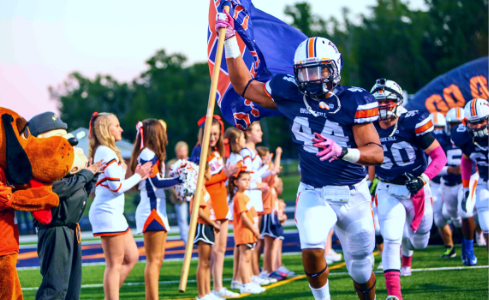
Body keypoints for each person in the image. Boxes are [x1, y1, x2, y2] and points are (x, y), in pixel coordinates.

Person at [218, 13, 384, 299]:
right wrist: (231, 41)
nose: (313, 78)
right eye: (306, 72)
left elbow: (376, 153)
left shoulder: (354, 100)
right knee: (311, 247)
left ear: (334, 69)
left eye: (319, 70)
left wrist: (343, 152)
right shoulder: (290, 93)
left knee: (360, 265)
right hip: (314, 191)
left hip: (354, 193)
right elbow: (243, 84)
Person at [369, 79, 446, 300]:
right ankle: (395, 295)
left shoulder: (412, 122)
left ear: (398, 102)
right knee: (391, 238)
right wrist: (369, 182)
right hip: (388, 188)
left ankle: (408, 251)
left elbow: (439, 156)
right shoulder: (368, 124)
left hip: (417, 189)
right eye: (378, 102)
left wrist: (423, 179)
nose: (382, 106)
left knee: (420, 239)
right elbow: (371, 159)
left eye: (387, 101)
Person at [28, 112, 104, 300]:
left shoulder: (66, 170)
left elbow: (77, 195)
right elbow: (57, 189)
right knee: (55, 287)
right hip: (56, 230)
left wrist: (91, 177)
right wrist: (85, 175)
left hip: (70, 229)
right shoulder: (42, 170)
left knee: (71, 289)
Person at [88, 112, 152, 300]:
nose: (121, 129)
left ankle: (110, 297)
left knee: (131, 257)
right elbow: (117, 187)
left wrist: (136, 175)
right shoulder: (105, 151)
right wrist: (138, 175)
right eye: (117, 125)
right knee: (114, 264)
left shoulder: (107, 150)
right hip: (107, 212)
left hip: (114, 212)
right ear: (106, 129)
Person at [129, 119, 183, 300]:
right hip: (151, 211)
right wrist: (181, 179)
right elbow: (156, 182)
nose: (165, 135)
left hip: (157, 209)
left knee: (158, 260)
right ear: (156, 134)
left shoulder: (151, 154)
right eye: (162, 131)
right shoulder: (147, 154)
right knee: (153, 261)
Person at [190, 115, 239, 298]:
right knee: (209, 252)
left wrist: (228, 174)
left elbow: (216, 177)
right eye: (209, 134)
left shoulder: (216, 152)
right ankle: (207, 290)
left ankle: (218, 286)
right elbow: (200, 182)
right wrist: (224, 175)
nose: (212, 137)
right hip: (209, 206)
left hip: (221, 203)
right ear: (202, 133)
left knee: (220, 249)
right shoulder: (199, 151)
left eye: (216, 134)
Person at [451, 98, 489, 264]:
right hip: (484, 180)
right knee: (486, 225)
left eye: (481, 121)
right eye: (473, 123)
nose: (478, 126)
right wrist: (466, 189)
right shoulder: (462, 135)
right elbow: (467, 158)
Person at [240, 122, 277, 285]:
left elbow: (256, 176)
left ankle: (254, 272)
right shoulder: (246, 152)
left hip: (256, 197)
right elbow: (248, 177)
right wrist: (265, 169)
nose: (261, 133)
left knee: (256, 239)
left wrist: (270, 171)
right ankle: (250, 275)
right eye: (257, 130)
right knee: (250, 238)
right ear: (248, 133)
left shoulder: (253, 152)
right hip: (250, 198)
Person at [431, 109, 468, 259]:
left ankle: (468, 242)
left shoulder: (470, 140)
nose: (456, 128)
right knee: (441, 217)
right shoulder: (441, 141)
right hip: (440, 183)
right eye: (453, 124)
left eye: (459, 124)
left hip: (462, 182)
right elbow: (432, 167)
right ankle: (450, 247)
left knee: (462, 214)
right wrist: (451, 170)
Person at [229, 168, 265, 294]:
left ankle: (248, 281)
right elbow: (243, 217)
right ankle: (245, 284)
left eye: (249, 180)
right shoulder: (239, 197)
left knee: (247, 258)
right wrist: (255, 230)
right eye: (244, 180)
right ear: (236, 182)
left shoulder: (244, 196)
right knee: (244, 258)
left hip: (249, 233)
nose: (247, 182)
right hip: (244, 232)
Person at [191, 162, 222, 300]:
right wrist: (213, 224)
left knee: (207, 261)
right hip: (202, 226)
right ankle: (202, 294)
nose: (212, 173)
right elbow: (199, 211)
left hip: (207, 226)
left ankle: (207, 292)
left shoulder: (203, 188)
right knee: (203, 261)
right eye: (210, 170)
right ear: (204, 171)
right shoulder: (199, 189)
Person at [223, 127, 246, 290]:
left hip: (234, 200)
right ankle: (237, 278)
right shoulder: (234, 158)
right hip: (233, 202)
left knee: (241, 242)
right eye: (243, 138)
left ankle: (239, 277)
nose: (244, 141)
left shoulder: (235, 157)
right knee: (240, 242)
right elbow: (232, 183)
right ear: (236, 141)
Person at [256, 146, 283, 281]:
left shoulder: (264, 172)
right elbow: (275, 174)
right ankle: (267, 270)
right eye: (267, 156)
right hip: (266, 210)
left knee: (270, 243)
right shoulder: (264, 173)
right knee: (267, 243)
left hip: (270, 210)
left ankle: (270, 269)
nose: (269, 159)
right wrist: (278, 155)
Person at [168, 141, 190, 245]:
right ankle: (186, 241)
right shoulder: (172, 164)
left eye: (183, 150)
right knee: (182, 219)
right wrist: (178, 193)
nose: (181, 153)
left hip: (194, 195)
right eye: (179, 151)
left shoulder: (193, 162)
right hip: (180, 197)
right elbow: (169, 181)